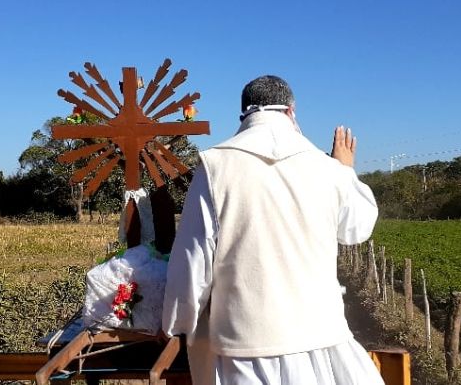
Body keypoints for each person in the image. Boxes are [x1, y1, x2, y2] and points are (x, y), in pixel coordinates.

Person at [162, 75, 383, 385]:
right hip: (322, 338)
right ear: (291, 112)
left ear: (243, 114)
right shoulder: (327, 168)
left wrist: (177, 324)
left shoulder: (215, 165)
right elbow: (356, 229)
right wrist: (345, 171)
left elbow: (192, 262)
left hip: (244, 346)